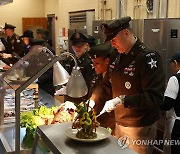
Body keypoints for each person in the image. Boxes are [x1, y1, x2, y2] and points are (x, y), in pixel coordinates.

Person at [91, 16, 166, 153]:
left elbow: (154, 97)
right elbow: (106, 85)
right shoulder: (116, 56)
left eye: (114, 39)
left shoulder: (147, 57)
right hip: (119, 123)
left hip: (139, 128)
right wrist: (93, 100)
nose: (112, 44)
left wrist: (122, 100)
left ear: (126, 33)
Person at [88, 42, 115, 133]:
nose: (94, 66)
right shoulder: (99, 74)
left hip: (111, 123)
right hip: (99, 122)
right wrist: (91, 101)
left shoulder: (114, 75)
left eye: (97, 63)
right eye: (93, 63)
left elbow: (104, 89)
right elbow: (99, 88)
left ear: (107, 61)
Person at [63, 32, 95, 103]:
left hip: (82, 99)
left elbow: (90, 85)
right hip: (69, 98)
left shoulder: (89, 62)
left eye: (79, 46)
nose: (77, 48)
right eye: (74, 45)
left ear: (86, 46)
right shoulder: (70, 60)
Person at [160, 52, 180, 154]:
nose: (171, 66)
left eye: (171, 63)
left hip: (176, 125)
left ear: (176, 63)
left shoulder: (175, 79)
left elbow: (167, 104)